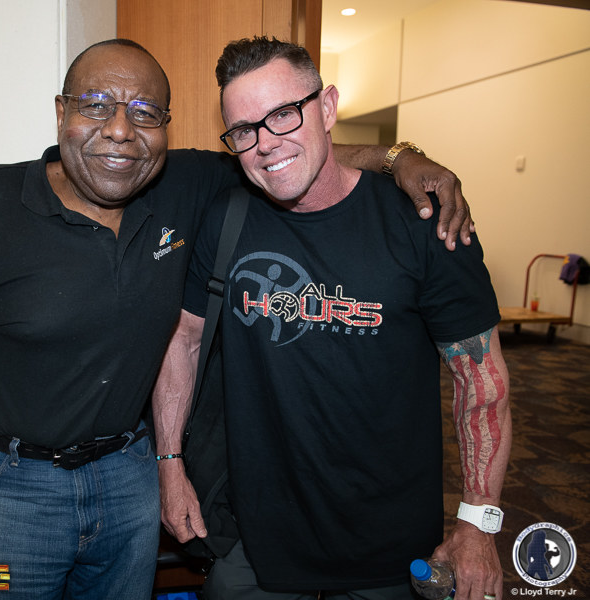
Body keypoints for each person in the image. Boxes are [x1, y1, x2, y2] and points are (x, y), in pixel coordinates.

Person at [0, 38, 476, 600]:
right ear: (61, 113)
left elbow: (287, 155)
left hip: (129, 475)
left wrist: (400, 159)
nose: (120, 130)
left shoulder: (183, 184)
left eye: (145, 113)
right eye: (96, 105)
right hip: (8, 487)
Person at [154, 37, 511, 600]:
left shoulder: (423, 223)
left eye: (283, 114)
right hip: (254, 540)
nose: (265, 144)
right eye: (243, 130)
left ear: (326, 108)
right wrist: (169, 465)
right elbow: (184, 340)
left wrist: (478, 522)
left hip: (390, 546)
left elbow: (481, 381)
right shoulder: (226, 217)